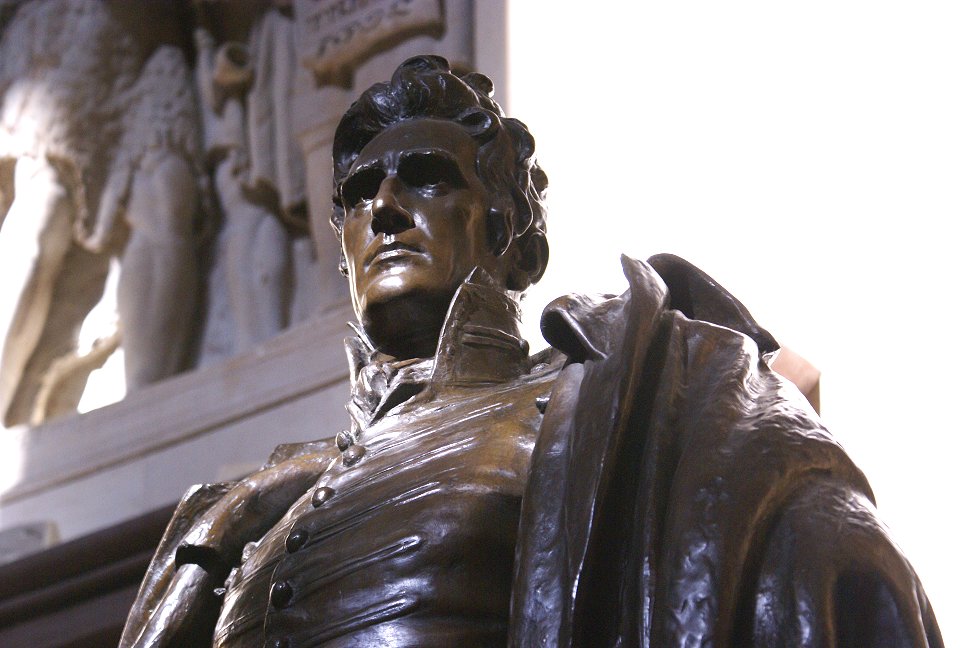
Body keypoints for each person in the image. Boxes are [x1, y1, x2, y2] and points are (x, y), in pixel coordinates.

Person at [121, 56, 942, 647]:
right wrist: (217, 528)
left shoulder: (605, 395)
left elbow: (818, 545)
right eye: (361, 196)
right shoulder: (272, 496)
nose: (386, 209)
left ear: (510, 234)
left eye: (427, 177)